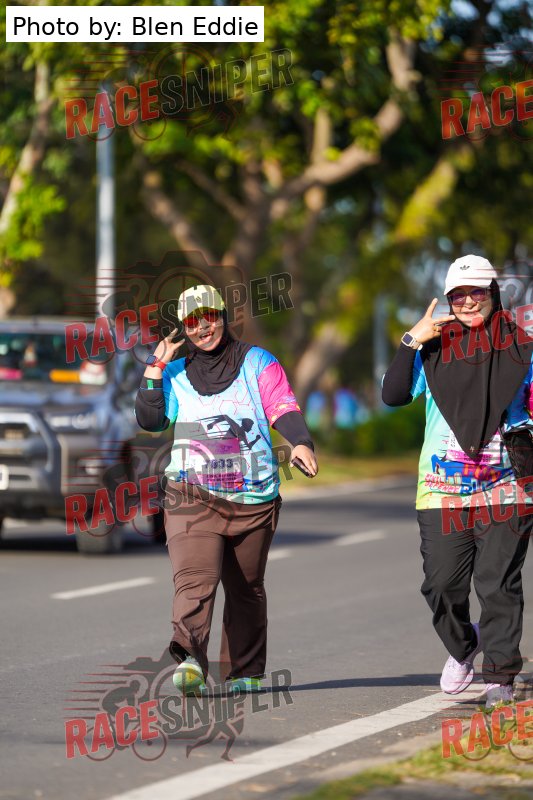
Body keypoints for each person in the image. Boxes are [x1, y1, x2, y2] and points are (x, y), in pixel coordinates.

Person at [135, 284, 318, 695]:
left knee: (245, 587)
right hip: (192, 494)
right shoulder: (175, 373)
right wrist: (155, 367)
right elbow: (151, 420)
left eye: (209, 317)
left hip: (254, 498)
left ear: (222, 316)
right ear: (184, 327)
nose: (203, 327)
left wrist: (301, 441)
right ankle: (188, 660)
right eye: (192, 321)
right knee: (194, 581)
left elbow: (282, 406)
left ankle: (245, 669)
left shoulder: (258, 362)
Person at [382, 255, 533, 708]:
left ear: (493, 294)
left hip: (507, 486)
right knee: (441, 585)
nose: (468, 301)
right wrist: (411, 340)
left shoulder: (522, 347)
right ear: (448, 299)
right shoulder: (432, 349)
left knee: (498, 585)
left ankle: (500, 677)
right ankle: (465, 647)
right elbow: (393, 394)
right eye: (458, 295)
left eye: (477, 292)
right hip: (440, 491)